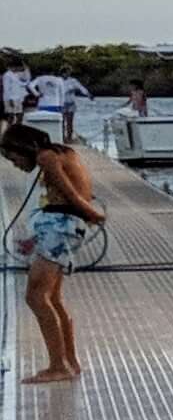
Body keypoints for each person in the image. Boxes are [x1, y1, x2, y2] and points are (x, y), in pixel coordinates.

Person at [5, 119, 104, 383]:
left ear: (24, 147)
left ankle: (58, 365)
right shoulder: (61, 152)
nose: (16, 165)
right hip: (58, 227)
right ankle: (69, 361)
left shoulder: (47, 157)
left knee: (36, 297)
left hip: (60, 226)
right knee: (53, 298)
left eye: (14, 159)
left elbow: (69, 192)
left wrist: (91, 213)